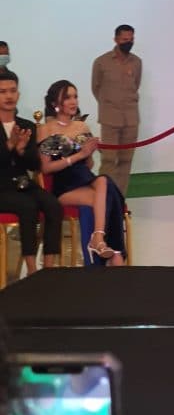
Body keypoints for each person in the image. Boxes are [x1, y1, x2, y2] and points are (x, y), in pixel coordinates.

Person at [37, 80, 126, 265]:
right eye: (67, 97)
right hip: (64, 187)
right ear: (54, 103)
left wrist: (90, 153)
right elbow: (45, 168)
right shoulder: (46, 130)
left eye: (75, 96)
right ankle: (116, 254)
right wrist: (78, 155)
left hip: (85, 179)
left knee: (103, 183)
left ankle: (98, 239)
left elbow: (89, 165)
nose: (73, 101)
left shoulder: (82, 127)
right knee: (109, 195)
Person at [0, 70, 62, 277]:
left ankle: (49, 268)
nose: (8, 96)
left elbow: (35, 165)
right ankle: (32, 270)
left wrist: (21, 151)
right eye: (2, 92)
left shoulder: (26, 126)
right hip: (2, 188)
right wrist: (9, 145)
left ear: (18, 94)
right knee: (27, 206)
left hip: (22, 183)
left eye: (12, 91)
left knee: (52, 204)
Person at [91, 24, 141, 196]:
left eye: (131, 39)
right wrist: (109, 105)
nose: (129, 42)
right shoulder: (101, 62)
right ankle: (104, 197)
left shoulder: (137, 62)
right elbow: (96, 87)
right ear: (116, 39)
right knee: (109, 160)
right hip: (110, 118)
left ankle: (120, 199)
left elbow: (136, 85)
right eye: (125, 39)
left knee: (126, 161)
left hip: (131, 119)